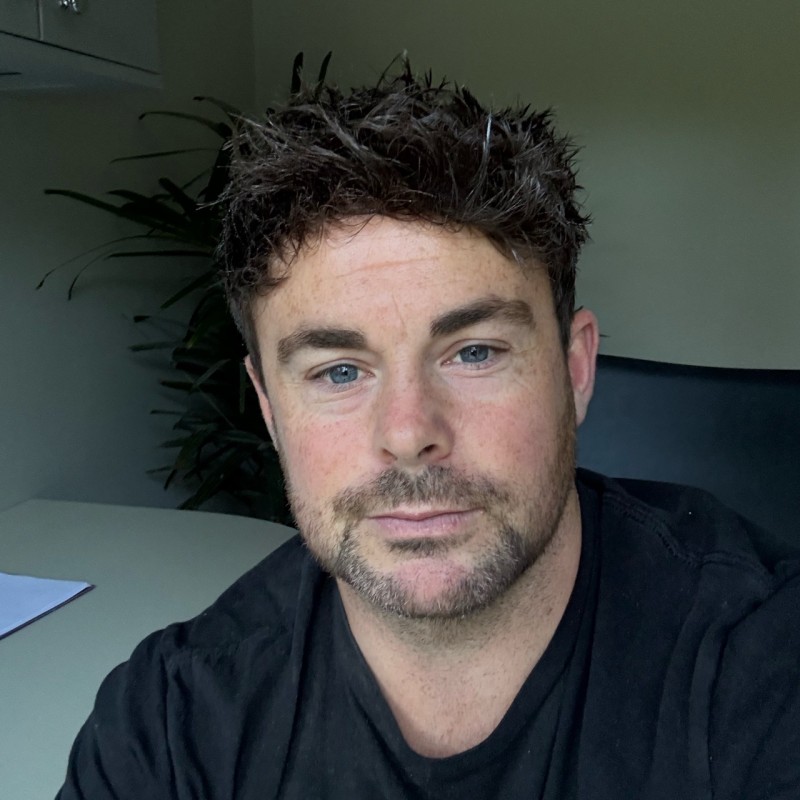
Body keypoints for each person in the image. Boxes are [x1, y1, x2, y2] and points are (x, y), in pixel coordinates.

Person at [57, 65, 800, 799]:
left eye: (474, 353)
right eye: (338, 371)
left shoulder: (764, 668)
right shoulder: (171, 728)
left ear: (576, 370)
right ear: (270, 407)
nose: (409, 433)